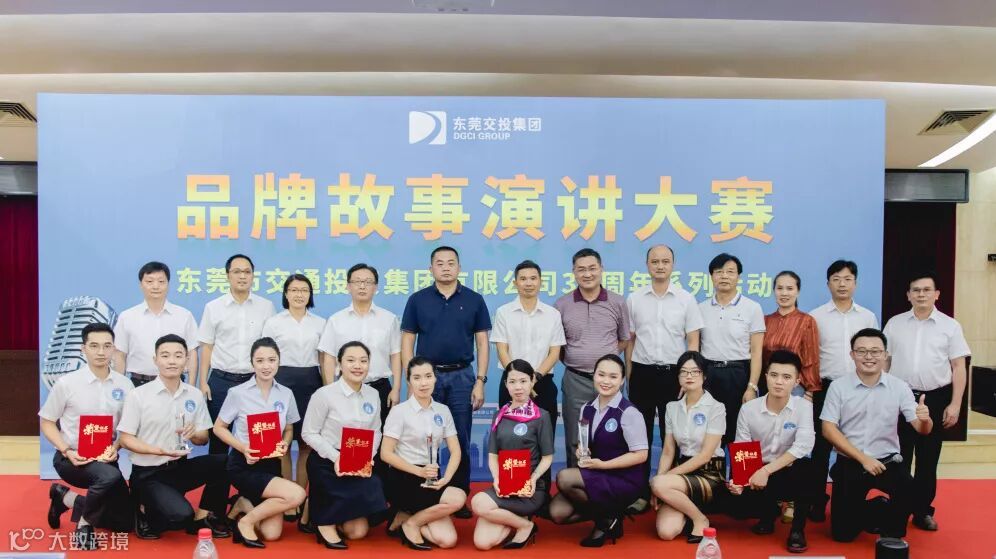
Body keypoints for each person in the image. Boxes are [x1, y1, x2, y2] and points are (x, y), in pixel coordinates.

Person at [820, 328, 932, 543]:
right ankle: (876, 509)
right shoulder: (838, 387)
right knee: (842, 535)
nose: (868, 357)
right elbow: (828, 428)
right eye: (861, 351)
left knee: (910, 488)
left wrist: (925, 420)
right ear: (852, 355)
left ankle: (892, 526)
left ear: (885, 355)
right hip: (851, 461)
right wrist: (863, 459)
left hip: (887, 462)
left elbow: (921, 428)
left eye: (875, 351)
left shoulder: (899, 387)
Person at [402, 246, 491, 516]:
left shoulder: (474, 300)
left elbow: (482, 343)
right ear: (431, 269)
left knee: (460, 438)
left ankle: (458, 495)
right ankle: (426, 493)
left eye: (451, 263)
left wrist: (480, 380)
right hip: (428, 377)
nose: (446, 267)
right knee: (423, 437)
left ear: (459, 268)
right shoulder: (418, 300)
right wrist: (412, 380)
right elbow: (407, 341)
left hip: (463, 376)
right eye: (439, 263)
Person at [117, 334, 231, 541]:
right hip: (148, 473)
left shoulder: (194, 395)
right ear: (155, 360)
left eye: (178, 356)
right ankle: (140, 506)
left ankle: (202, 518)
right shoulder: (138, 395)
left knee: (227, 462)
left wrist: (194, 433)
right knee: (179, 516)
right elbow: (125, 439)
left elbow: (204, 438)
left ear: (186, 361)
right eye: (165, 356)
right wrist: (158, 451)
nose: (172, 361)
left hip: (179, 467)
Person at [884, 271, 970, 532]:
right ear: (908, 295)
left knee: (928, 459)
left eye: (926, 290)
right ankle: (898, 508)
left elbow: (959, 367)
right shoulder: (895, 324)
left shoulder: (950, 326)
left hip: (935, 397)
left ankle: (922, 511)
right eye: (916, 290)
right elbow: (885, 361)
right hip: (900, 396)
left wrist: (955, 404)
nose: (921, 294)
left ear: (937, 294)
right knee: (899, 456)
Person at [40, 322, 134, 549]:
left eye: (107, 346)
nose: (101, 352)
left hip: (106, 459)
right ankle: (85, 525)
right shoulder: (67, 383)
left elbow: (127, 427)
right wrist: (66, 450)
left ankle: (65, 498)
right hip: (72, 458)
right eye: (94, 346)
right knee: (109, 477)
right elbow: (47, 422)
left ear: (114, 348)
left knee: (124, 522)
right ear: (83, 349)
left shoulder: (125, 385)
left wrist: (116, 447)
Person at [625, 244, 702, 508]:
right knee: (640, 436)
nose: (660, 266)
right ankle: (640, 493)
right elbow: (630, 340)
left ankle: (672, 490)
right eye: (655, 261)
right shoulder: (635, 299)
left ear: (673, 265)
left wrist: (688, 377)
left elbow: (693, 340)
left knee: (675, 435)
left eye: (665, 261)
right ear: (647, 265)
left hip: (674, 375)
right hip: (642, 373)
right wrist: (629, 375)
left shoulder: (685, 299)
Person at [212, 337, 306, 549]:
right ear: (252, 363)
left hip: (271, 465)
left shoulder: (286, 394)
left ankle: (243, 503)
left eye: (272, 360)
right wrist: (243, 448)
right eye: (260, 360)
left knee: (271, 534)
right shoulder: (238, 393)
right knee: (297, 494)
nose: (266, 366)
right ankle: (245, 523)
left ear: (279, 362)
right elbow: (219, 428)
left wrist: (285, 443)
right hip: (244, 464)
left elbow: (289, 429)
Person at [549, 354, 648, 547]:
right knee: (557, 513)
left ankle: (605, 521)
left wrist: (603, 465)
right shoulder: (587, 408)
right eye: (601, 375)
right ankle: (611, 516)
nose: (606, 381)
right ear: (593, 376)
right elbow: (584, 443)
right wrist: (581, 451)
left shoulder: (629, 412)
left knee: (564, 477)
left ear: (622, 380)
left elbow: (641, 455)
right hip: (597, 473)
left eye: (613, 376)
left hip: (624, 478)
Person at [490, 259, 564, 508]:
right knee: (509, 440)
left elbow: (555, 352)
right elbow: (502, 349)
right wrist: (518, 381)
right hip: (511, 385)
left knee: (543, 441)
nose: (528, 283)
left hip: (542, 383)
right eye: (523, 279)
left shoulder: (552, 314)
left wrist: (533, 380)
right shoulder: (504, 312)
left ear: (541, 282)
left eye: (533, 278)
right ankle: (510, 488)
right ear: (515, 283)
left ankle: (541, 495)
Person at [808, 259, 878, 521]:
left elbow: (876, 354)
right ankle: (817, 502)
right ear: (828, 284)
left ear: (855, 283)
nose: (842, 284)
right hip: (826, 387)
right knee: (821, 448)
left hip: (860, 388)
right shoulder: (816, 317)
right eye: (836, 279)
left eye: (847, 279)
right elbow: (811, 355)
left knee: (854, 445)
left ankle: (849, 501)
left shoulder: (867, 317)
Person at [727, 350, 815, 553]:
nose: (779, 382)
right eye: (774, 375)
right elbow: (742, 446)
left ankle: (797, 529)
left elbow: (803, 446)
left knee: (808, 471)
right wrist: (740, 481)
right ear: (766, 376)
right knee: (737, 507)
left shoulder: (803, 407)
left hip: (788, 468)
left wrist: (766, 471)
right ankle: (768, 514)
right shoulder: (749, 409)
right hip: (758, 468)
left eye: (786, 377)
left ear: (796, 381)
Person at [302, 341, 388, 549]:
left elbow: (376, 431)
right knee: (344, 523)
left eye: (363, 361)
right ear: (339, 364)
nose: (357, 366)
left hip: (358, 461)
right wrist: (336, 457)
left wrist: (367, 456)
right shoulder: (324, 394)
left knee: (357, 533)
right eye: (351, 360)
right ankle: (322, 521)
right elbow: (308, 433)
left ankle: (315, 506)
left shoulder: (373, 394)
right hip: (327, 461)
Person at [555, 248, 629, 470]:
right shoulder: (562, 305)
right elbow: (558, 347)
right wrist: (579, 359)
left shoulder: (618, 302)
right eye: (581, 269)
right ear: (574, 272)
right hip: (576, 380)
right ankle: (575, 484)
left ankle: (609, 485)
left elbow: (624, 339)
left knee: (612, 436)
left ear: (601, 269)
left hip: (610, 382)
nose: (587, 274)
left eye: (592, 268)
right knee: (575, 437)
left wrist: (605, 364)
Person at [381, 357, 465, 550]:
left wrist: (446, 479)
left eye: (428, 376)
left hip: (432, 477)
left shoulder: (443, 411)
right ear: (409, 381)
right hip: (404, 477)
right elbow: (386, 453)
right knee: (456, 501)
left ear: (435, 378)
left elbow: (455, 451)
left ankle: (408, 519)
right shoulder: (399, 412)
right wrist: (418, 471)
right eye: (417, 378)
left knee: (448, 540)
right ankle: (410, 521)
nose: (423, 383)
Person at [471, 360, 555, 550]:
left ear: (532, 381)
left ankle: (524, 524)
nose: (518, 387)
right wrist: (497, 478)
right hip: (505, 485)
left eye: (523, 381)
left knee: (478, 503)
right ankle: (523, 522)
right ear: (506, 384)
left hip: (530, 489)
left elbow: (547, 457)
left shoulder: (541, 416)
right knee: (482, 543)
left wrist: (533, 479)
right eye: (512, 381)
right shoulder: (499, 415)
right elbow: (493, 455)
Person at [261, 273, 325, 521]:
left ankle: (301, 496)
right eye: (294, 290)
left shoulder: (320, 323)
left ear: (310, 295)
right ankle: (287, 498)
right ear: (286, 294)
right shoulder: (274, 322)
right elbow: (266, 357)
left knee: (307, 443)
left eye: (304, 290)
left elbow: (324, 359)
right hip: (281, 383)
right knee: (282, 445)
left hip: (311, 383)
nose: (299, 294)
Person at [198, 254, 276, 453]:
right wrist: (203, 382)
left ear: (253, 276)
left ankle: (254, 475)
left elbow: (270, 347)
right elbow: (207, 346)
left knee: (259, 438)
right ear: (227, 275)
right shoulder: (213, 307)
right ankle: (218, 476)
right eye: (237, 271)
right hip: (221, 381)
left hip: (255, 381)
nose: (242, 276)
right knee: (219, 441)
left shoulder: (266, 307)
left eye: (247, 272)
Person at [651, 350, 726, 544]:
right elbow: (668, 451)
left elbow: (705, 455)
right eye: (684, 372)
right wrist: (659, 484)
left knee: (659, 483)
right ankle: (689, 509)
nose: (689, 376)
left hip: (709, 472)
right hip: (681, 471)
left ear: (704, 375)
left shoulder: (716, 408)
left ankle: (700, 519)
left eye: (695, 371)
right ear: (678, 377)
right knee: (666, 532)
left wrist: (663, 480)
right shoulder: (672, 408)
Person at [320, 263, 402, 423]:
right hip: (345, 389)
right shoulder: (336, 320)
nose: (362, 286)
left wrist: (396, 389)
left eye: (368, 282)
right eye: (357, 281)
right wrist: (330, 392)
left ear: (376, 287)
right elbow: (328, 358)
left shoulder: (389, 319)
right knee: (346, 436)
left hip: (380, 388)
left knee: (381, 435)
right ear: (348, 286)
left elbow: (395, 355)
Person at [698, 253, 765, 445]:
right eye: (719, 272)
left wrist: (751, 387)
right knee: (708, 431)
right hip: (709, 374)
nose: (724, 276)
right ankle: (711, 466)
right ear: (711, 276)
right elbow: (697, 347)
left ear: (738, 276)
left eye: (730, 272)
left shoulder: (752, 308)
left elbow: (757, 352)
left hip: (738, 374)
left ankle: (740, 467)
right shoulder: (701, 308)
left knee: (740, 431)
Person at [113, 261, 199, 387]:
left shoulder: (184, 316)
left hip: (176, 383)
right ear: (141, 284)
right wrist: (119, 387)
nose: (155, 286)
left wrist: (191, 387)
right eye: (149, 281)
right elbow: (120, 355)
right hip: (139, 383)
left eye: (161, 281)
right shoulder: (127, 317)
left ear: (168, 284)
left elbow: (192, 353)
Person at [761, 271, 820, 398]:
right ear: (774, 291)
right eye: (779, 288)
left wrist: (810, 390)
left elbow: (811, 359)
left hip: (795, 387)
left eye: (789, 288)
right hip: (767, 385)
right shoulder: (765, 321)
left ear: (798, 292)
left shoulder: (806, 321)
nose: (784, 293)